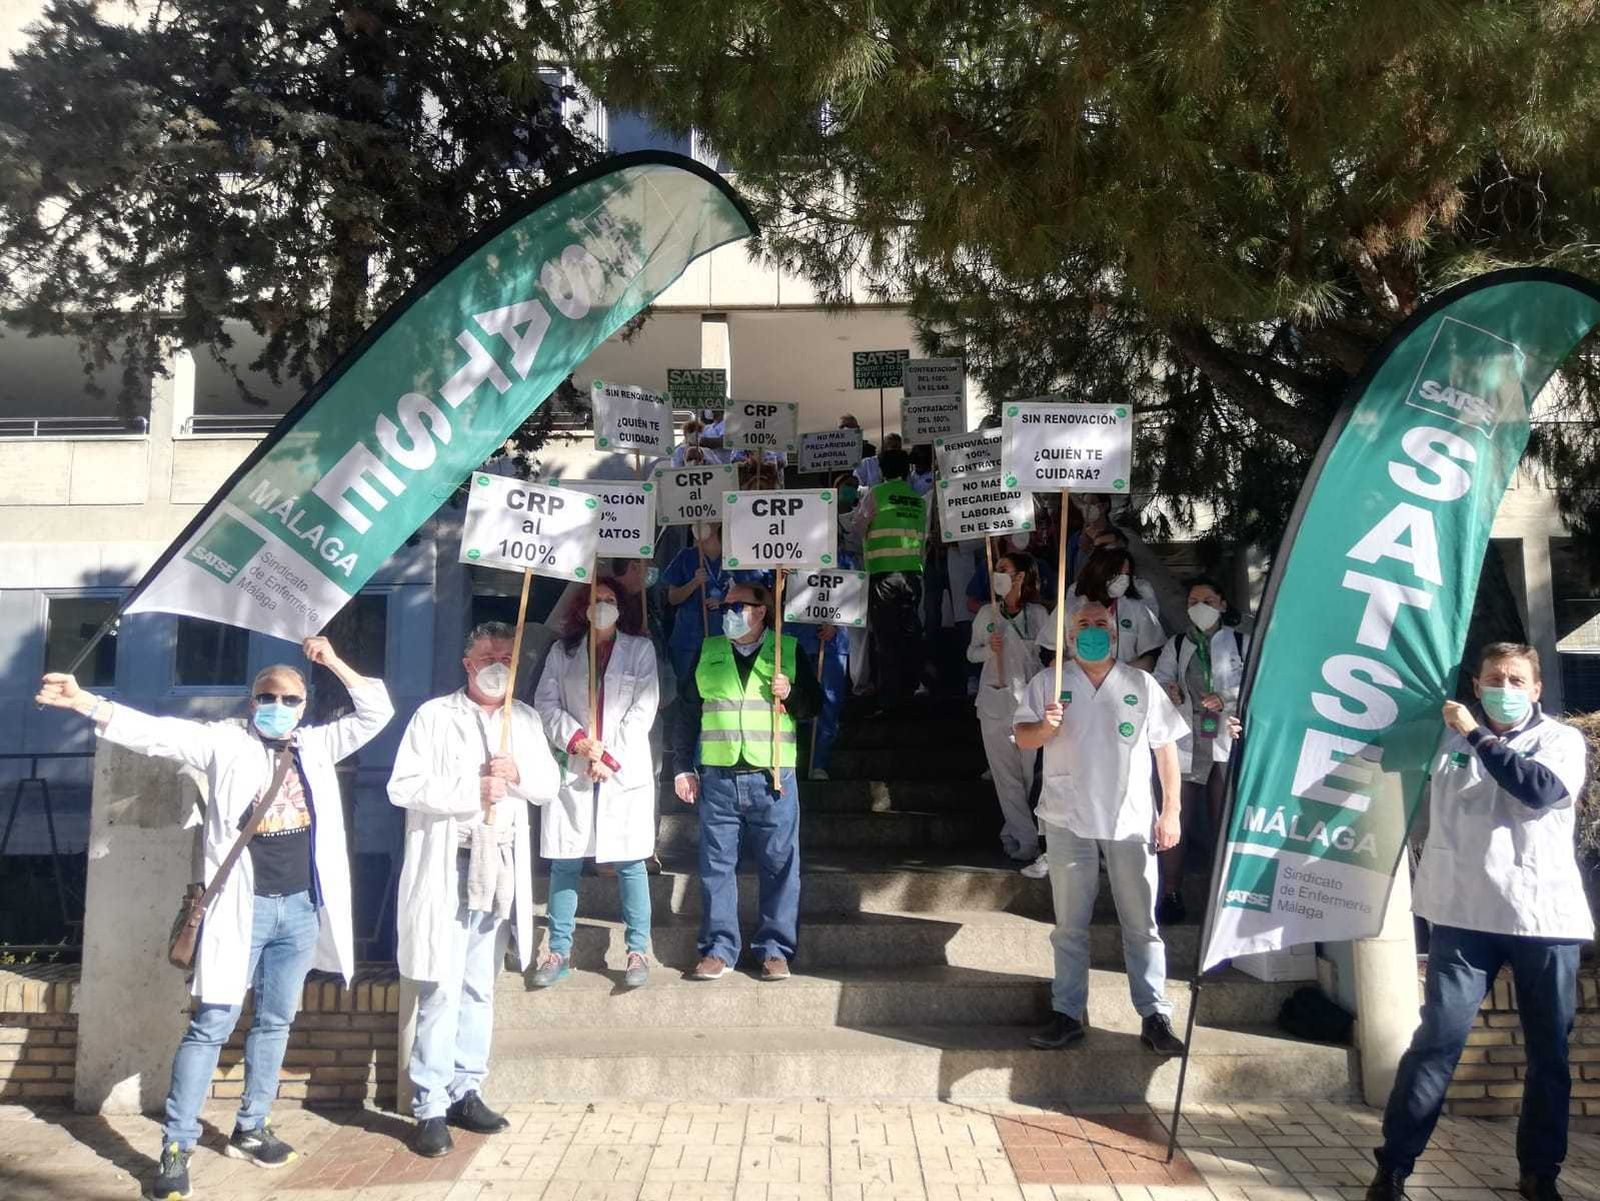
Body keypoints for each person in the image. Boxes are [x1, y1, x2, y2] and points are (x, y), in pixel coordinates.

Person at [35, 638, 392, 1199]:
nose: (277, 704)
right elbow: (152, 732)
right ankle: (175, 1148)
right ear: (252, 701)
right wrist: (85, 702)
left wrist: (333, 662)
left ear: (304, 704)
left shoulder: (319, 744)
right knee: (212, 1025)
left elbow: (378, 710)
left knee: (276, 1022)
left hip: (300, 908)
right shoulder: (222, 743)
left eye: (290, 698)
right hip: (239, 911)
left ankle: (252, 1128)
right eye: (266, 696)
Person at [1367, 643, 1590, 1201]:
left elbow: (1537, 790)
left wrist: (1476, 735)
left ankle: (1540, 1173)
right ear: (1476, 683)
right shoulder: (1442, 738)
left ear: (1537, 689)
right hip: (1462, 914)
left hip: (1542, 917)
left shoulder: (1561, 741)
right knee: (1437, 1041)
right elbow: (1366, 752)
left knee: (1549, 1052)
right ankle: (1393, 1166)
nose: (1506, 689)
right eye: (1495, 678)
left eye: (1518, 680)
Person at [388, 622, 560, 1158]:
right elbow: (403, 786)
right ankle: (430, 1104)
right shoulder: (434, 716)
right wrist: (473, 789)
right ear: (468, 664)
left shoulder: (524, 719)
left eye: (508, 656)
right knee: (440, 984)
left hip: (500, 863)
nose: (499, 664)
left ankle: (467, 1088)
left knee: (480, 984)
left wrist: (516, 774)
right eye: (489, 655)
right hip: (449, 862)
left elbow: (548, 786)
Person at [1014, 601, 1188, 1057]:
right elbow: (1022, 737)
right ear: (1068, 635)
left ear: (1115, 633)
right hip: (1067, 817)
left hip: (1129, 820)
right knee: (1070, 925)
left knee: (1141, 924)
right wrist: (1044, 728)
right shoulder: (1049, 683)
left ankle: (1155, 1015)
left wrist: (1171, 812)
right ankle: (1067, 1013)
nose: (1091, 631)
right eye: (1082, 625)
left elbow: (1165, 750)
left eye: (1100, 625)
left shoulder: (1140, 683)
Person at [671, 580, 822, 981]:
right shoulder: (709, 651)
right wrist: (682, 765)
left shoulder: (786, 651)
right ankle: (718, 948)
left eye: (738, 606)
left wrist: (790, 692)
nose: (729, 612)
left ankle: (775, 949)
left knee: (780, 866)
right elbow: (686, 712)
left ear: (762, 611)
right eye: (726, 606)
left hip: (772, 778)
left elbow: (813, 705)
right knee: (715, 866)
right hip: (719, 777)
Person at [531, 578, 660, 989]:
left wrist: (608, 757)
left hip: (621, 770)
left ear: (620, 608)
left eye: (608, 601)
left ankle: (637, 950)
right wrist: (579, 743)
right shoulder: (562, 651)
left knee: (630, 861)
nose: (602, 606)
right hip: (576, 766)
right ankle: (559, 950)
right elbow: (545, 704)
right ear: (581, 609)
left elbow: (643, 708)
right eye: (595, 601)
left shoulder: (640, 650)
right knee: (565, 861)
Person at [1151, 577, 1250, 925]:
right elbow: (1160, 680)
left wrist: (1227, 698)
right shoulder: (1177, 645)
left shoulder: (1242, 642)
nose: (1200, 607)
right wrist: (1171, 690)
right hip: (1187, 739)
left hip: (1225, 737)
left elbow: (1256, 683)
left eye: (1208, 600)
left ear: (1222, 604)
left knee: (1226, 819)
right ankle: (1171, 894)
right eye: (1194, 600)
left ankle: (1224, 899)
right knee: (1176, 817)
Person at [967, 550, 1050, 867]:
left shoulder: (1039, 616)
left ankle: (1011, 831)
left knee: (1025, 777)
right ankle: (1028, 842)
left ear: (1020, 577)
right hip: (993, 703)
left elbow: (1048, 657)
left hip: (1029, 705)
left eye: (1004, 570)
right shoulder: (987, 614)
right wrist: (989, 649)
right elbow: (970, 654)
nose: (997, 575)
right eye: (996, 569)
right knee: (1006, 777)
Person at [853, 446, 927, 715]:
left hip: (883, 575)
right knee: (909, 634)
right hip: (912, 574)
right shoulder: (918, 500)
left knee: (886, 638)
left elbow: (858, 527)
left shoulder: (876, 494)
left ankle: (889, 700)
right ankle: (912, 688)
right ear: (907, 470)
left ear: (882, 470)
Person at [1042, 546, 1165, 671]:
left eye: (1126, 574)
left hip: (1123, 685)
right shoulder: (1067, 609)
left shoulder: (1138, 609)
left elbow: (1153, 655)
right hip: (1076, 684)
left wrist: (1121, 674)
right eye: (1118, 574)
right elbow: (1049, 652)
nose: (1124, 579)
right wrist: (1079, 675)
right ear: (1099, 572)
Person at [662, 522, 730, 684]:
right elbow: (673, 598)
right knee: (687, 689)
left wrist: (724, 601)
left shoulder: (733, 557)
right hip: (688, 639)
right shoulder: (686, 557)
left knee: (718, 688)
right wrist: (694, 583)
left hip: (723, 638)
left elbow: (752, 593)